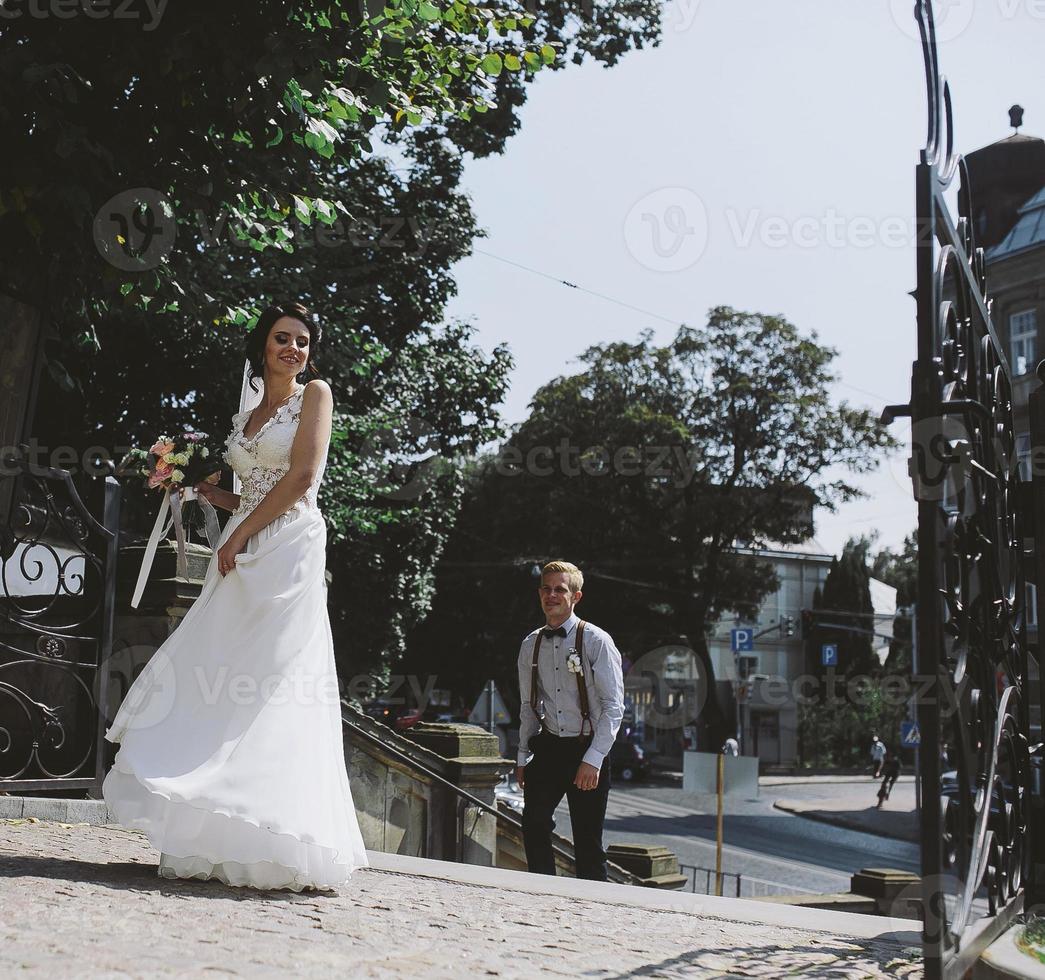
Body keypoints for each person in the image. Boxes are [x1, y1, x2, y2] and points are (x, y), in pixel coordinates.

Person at [102, 302, 369, 892]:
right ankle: (213, 829)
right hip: (242, 542)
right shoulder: (247, 412)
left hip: (288, 545)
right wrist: (197, 490)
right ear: (262, 346)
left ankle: (278, 835)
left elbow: (302, 478)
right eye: (282, 338)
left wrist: (242, 533)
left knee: (270, 676)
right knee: (217, 665)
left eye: (302, 341)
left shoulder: (314, 396)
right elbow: (248, 492)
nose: (293, 349)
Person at [516, 561, 625, 881]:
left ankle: (594, 912)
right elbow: (528, 705)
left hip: (587, 746)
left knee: (588, 844)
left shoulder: (596, 641)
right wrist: (522, 756)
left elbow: (613, 707)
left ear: (576, 596)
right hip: (549, 746)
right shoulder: (530, 644)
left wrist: (593, 760)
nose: (552, 595)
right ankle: (543, 891)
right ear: (539, 594)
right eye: (546, 589)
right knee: (533, 822)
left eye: (560, 589)